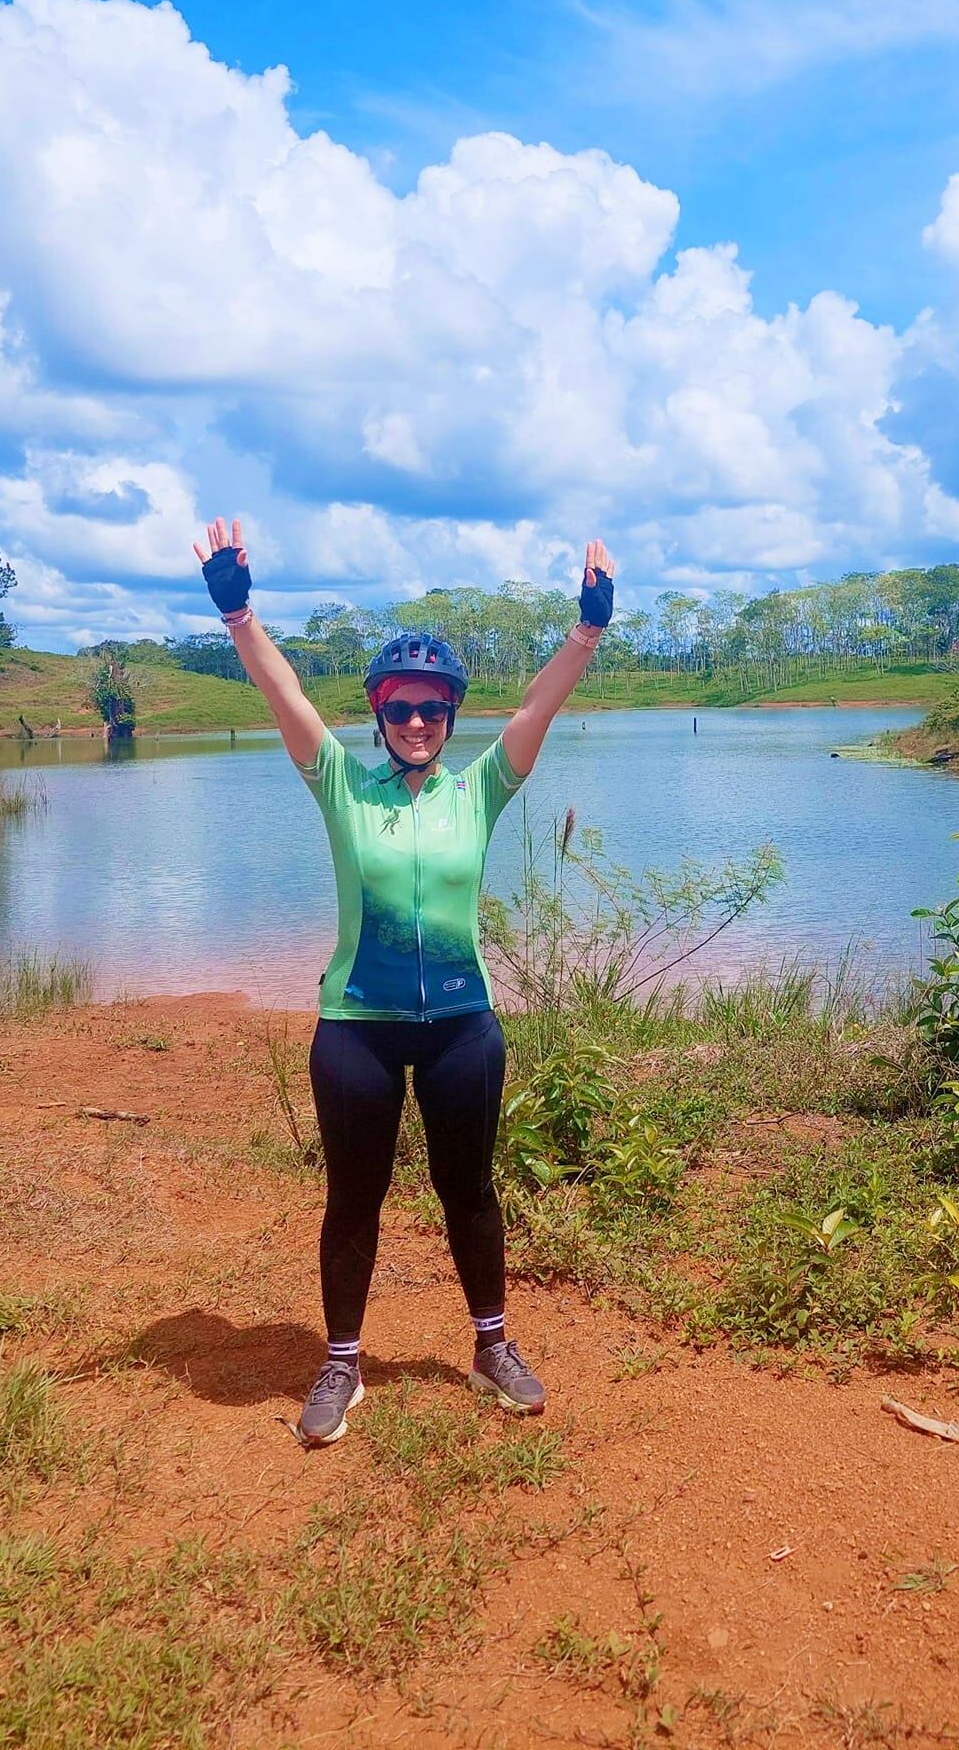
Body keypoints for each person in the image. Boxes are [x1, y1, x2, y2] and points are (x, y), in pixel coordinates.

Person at [192, 518, 617, 1447]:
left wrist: (584, 632)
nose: (416, 723)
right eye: (400, 710)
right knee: (354, 1197)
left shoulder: (482, 790)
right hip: (358, 1028)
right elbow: (283, 691)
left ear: (449, 717)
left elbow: (533, 714)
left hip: (463, 1024)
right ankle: (341, 1362)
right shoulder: (342, 785)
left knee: (471, 1191)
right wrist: (239, 615)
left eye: (432, 710)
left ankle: (489, 1346)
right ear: (378, 717)